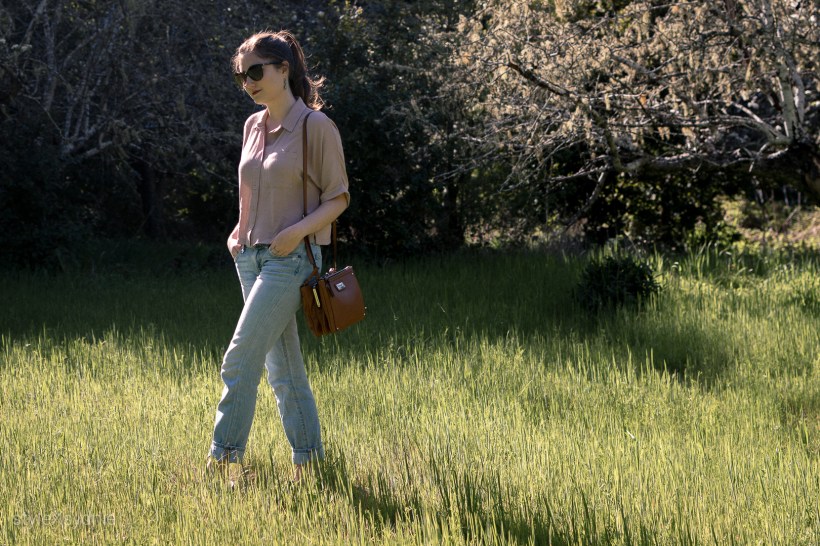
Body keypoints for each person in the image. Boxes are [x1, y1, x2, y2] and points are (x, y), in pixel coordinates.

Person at [207, 30, 349, 482]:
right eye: (240, 75)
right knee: (282, 367)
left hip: (293, 259)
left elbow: (338, 198)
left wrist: (294, 233)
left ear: (283, 69)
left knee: (241, 357)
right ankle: (311, 460)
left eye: (255, 71)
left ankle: (223, 461)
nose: (247, 82)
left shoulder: (316, 128)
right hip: (249, 256)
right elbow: (250, 184)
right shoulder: (253, 125)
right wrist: (237, 232)